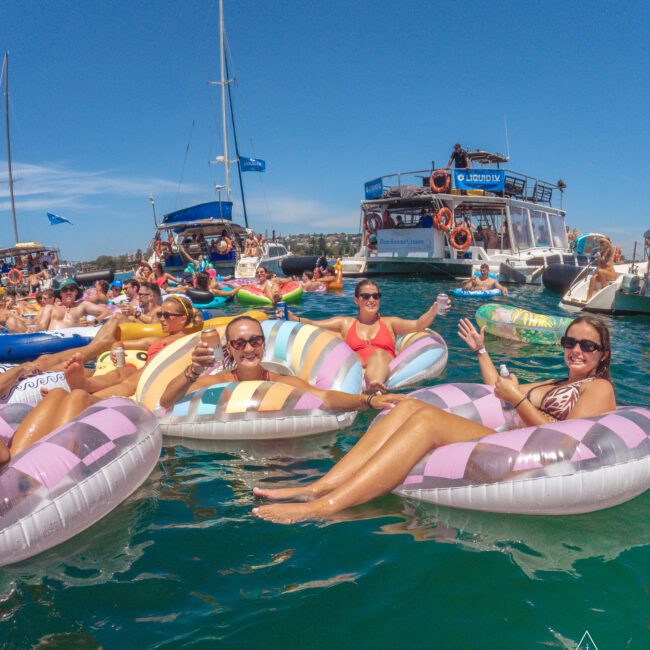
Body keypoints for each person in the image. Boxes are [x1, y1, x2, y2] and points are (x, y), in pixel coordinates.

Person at [252, 314, 616, 523]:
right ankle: (319, 486)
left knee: (426, 422)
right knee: (408, 406)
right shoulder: (554, 382)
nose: (576, 351)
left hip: (530, 450)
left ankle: (324, 507)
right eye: (570, 343)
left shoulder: (597, 388)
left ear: (603, 354)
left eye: (588, 346)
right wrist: (483, 351)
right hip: (507, 436)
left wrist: (518, 397)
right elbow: (495, 391)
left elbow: (571, 439)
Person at [0, 296, 201, 461]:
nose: (161, 318)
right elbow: (123, 344)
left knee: (126, 380)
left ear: (182, 319)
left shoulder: (188, 341)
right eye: (160, 314)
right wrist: (117, 349)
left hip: (152, 370)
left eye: (166, 315)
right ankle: (84, 384)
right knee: (119, 374)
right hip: (141, 366)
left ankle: (86, 390)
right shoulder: (158, 340)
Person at [159, 315, 403, 412]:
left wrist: (369, 400)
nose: (249, 348)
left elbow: (325, 397)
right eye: (240, 343)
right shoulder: (215, 381)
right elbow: (167, 402)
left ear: (263, 344)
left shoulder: (281, 381)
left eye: (255, 341)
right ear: (230, 349)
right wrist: (193, 370)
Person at [286, 279, 449, 393]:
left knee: (377, 353)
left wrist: (433, 310)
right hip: (356, 367)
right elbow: (314, 325)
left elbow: (417, 325)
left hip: (381, 366)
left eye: (376, 296)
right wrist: (295, 319)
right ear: (356, 300)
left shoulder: (389, 323)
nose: (371, 300)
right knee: (347, 354)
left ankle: (375, 385)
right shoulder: (346, 324)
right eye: (366, 296)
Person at [3, 279, 112, 333]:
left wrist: (95, 321)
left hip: (73, 341)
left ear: (76, 292)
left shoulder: (82, 305)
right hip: (51, 340)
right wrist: (33, 331)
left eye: (72, 289)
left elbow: (106, 312)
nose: (68, 292)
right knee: (11, 322)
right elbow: (42, 326)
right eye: (65, 289)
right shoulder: (50, 308)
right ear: (60, 293)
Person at [586, 237, 619, 301]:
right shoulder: (601, 252)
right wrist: (599, 259)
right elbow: (600, 265)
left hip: (611, 275)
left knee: (599, 271)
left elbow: (608, 243)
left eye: (603, 242)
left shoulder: (611, 250)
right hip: (602, 274)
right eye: (601, 243)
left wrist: (599, 239)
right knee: (593, 278)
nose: (602, 243)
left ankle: (605, 288)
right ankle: (588, 298)